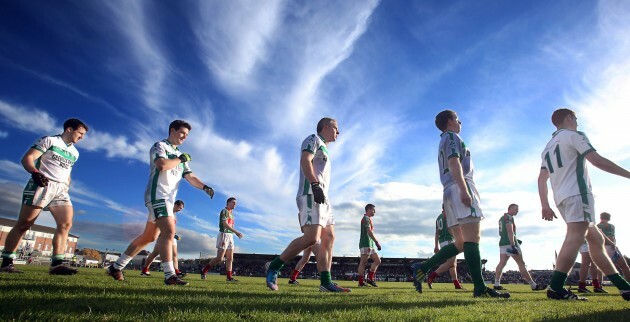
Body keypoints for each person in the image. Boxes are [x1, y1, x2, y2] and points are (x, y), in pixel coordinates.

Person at [411, 110, 509, 298]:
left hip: (448, 190)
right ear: (450, 121)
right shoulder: (452, 136)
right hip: (459, 185)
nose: (460, 122)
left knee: (461, 242)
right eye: (457, 119)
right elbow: (454, 161)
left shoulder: (443, 139)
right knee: (473, 239)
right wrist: (464, 190)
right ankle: (480, 288)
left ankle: (422, 267)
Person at [107, 120, 215, 286]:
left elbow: (190, 177)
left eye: (187, 136)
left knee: (149, 237)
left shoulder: (181, 156)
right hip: (157, 195)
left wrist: (204, 187)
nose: (185, 137)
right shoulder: (160, 146)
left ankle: (116, 267)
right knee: (169, 231)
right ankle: (170, 275)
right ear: (172, 130)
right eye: (182, 133)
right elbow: (162, 165)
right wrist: (180, 159)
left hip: (168, 199)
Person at [538, 108, 630, 301]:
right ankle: (556, 287)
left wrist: (545, 204)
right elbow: (597, 161)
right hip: (578, 194)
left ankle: (624, 287)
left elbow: (541, 178)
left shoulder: (547, 147)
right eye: (576, 118)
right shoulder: (574, 135)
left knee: (597, 240)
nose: (578, 122)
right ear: (570, 118)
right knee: (575, 237)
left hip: (562, 198)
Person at [264, 117, 349, 292]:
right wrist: (314, 184)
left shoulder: (325, 147)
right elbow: (305, 159)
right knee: (312, 238)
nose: (338, 132)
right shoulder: (313, 139)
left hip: (324, 198)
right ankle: (273, 266)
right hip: (311, 192)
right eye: (336, 128)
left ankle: (326, 282)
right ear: (325, 127)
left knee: (329, 237)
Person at [0, 119, 88, 275]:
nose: (82, 137)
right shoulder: (50, 140)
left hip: (61, 190)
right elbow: (27, 159)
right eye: (80, 133)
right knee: (24, 224)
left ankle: (56, 265)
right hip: (42, 184)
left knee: (66, 224)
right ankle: (6, 263)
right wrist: (35, 173)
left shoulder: (75, 153)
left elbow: (67, 171)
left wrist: (67, 185)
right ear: (69, 129)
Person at [493, 204, 547, 291]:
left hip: (503, 243)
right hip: (510, 244)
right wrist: (513, 244)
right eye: (515, 209)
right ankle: (533, 285)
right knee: (521, 264)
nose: (517, 211)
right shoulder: (509, 217)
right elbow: (510, 231)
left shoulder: (501, 218)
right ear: (510, 209)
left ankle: (496, 284)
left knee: (502, 263)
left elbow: (502, 232)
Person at [201, 197, 243, 281]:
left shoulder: (232, 214)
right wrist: (236, 232)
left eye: (235, 203)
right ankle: (204, 270)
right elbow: (225, 224)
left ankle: (229, 277)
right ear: (228, 203)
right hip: (224, 234)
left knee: (230, 258)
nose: (235, 204)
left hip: (230, 236)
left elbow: (230, 225)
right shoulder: (224, 211)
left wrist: (233, 233)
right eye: (233, 202)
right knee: (219, 258)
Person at [141, 200, 185, 277]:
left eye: (181, 209)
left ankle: (177, 271)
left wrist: (174, 234)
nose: (180, 210)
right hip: (163, 236)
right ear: (175, 205)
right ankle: (144, 270)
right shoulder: (166, 211)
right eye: (180, 208)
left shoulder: (174, 215)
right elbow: (160, 223)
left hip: (172, 236)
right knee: (155, 253)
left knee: (174, 254)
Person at [426, 206, 464, 290]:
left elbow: (437, 233)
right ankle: (432, 276)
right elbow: (449, 227)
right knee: (451, 263)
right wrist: (457, 238)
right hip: (449, 240)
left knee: (453, 263)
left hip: (442, 241)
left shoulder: (438, 217)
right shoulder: (449, 214)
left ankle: (456, 284)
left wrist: (436, 245)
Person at [596, 212, 630, 284]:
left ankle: (599, 285)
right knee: (624, 266)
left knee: (600, 267)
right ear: (609, 218)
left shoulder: (597, 226)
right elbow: (612, 237)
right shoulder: (611, 226)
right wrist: (613, 244)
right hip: (611, 246)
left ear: (600, 217)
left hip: (602, 247)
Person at [357, 204, 382, 287]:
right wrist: (376, 241)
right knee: (363, 262)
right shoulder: (366, 218)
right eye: (373, 210)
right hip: (365, 243)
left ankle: (370, 279)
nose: (374, 211)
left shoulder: (368, 219)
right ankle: (361, 282)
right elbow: (369, 231)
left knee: (377, 261)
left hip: (370, 244)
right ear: (369, 209)